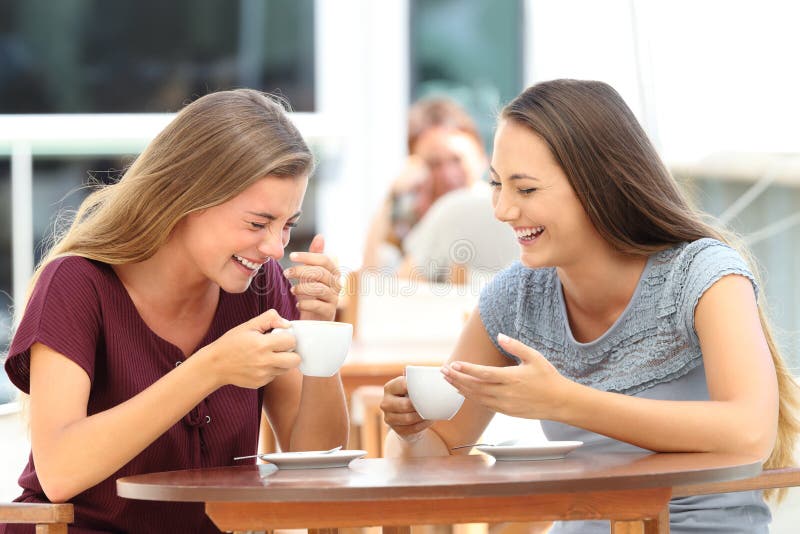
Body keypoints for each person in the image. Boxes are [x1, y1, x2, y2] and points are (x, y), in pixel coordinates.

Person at [381, 79, 800, 533]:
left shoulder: (701, 275)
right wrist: (412, 431)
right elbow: (437, 455)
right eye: (497, 185)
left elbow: (749, 431)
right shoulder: (516, 298)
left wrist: (565, 402)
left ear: (598, 184)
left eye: (525, 190)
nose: (502, 210)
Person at [1, 89, 348, 533]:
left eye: (288, 226)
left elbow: (314, 464)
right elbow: (60, 471)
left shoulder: (260, 288)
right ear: (188, 197)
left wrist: (320, 335)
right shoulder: (78, 283)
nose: (275, 247)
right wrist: (209, 369)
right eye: (258, 223)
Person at [362, 97, 491, 275]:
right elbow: (369, 277)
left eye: (457, 160)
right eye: (434, 163)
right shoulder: (409, 214)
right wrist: (393, 196)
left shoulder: (497, 210)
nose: (448, 175)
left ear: (481, 158)